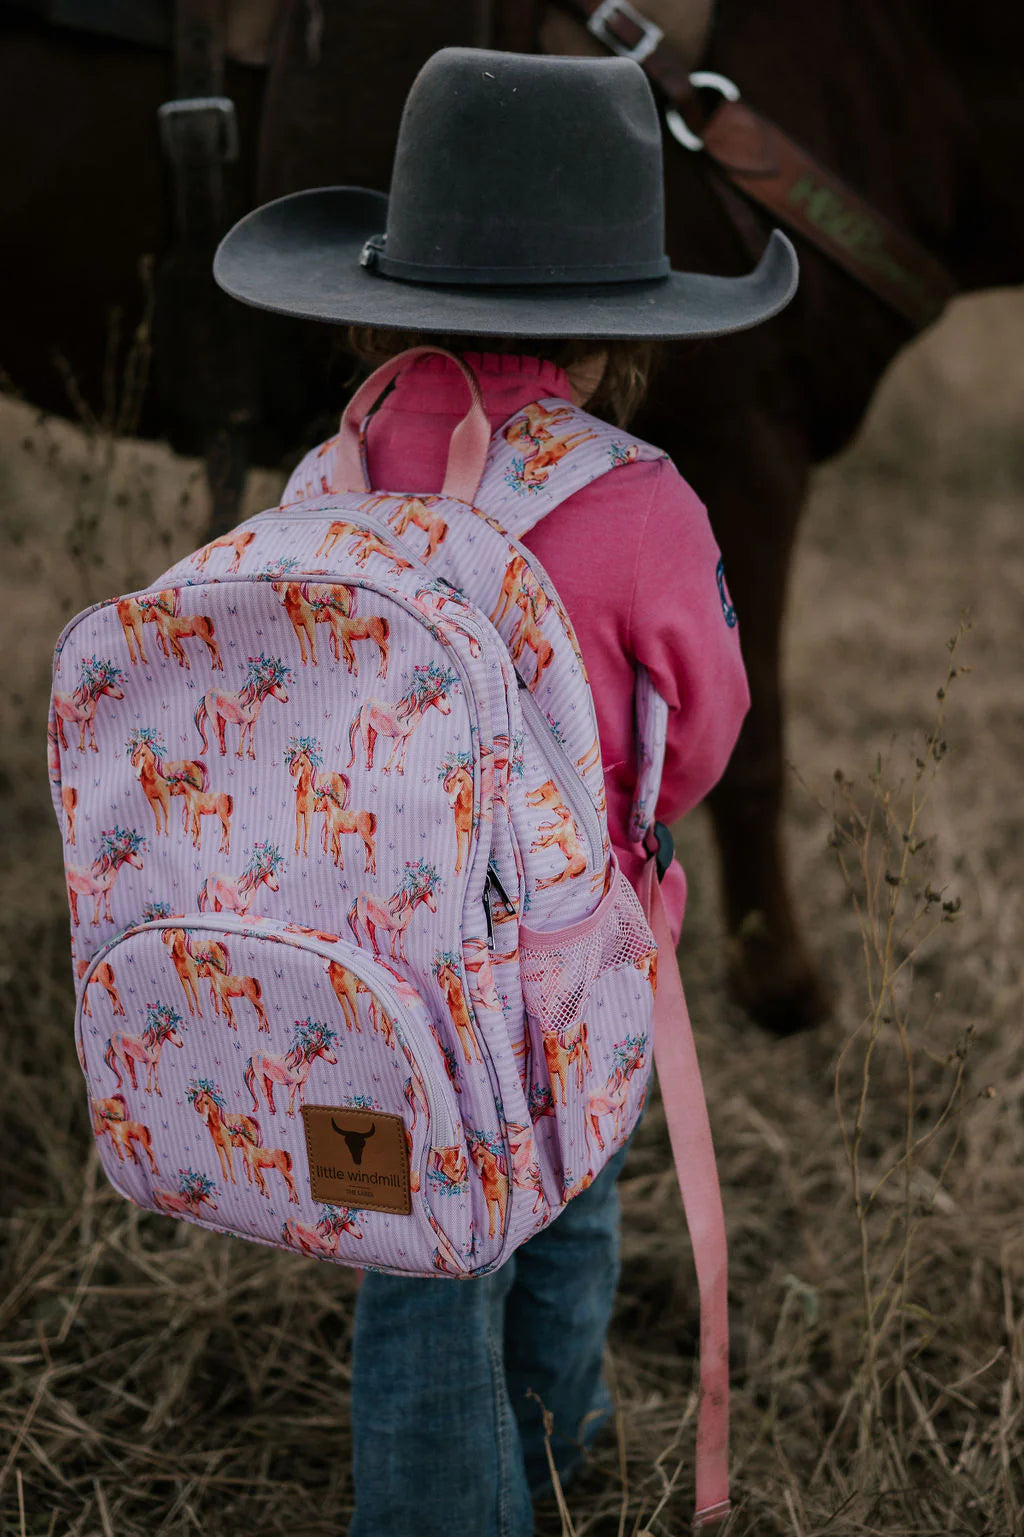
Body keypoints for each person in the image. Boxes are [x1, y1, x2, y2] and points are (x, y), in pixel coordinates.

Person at [213, 45, 797, 1537]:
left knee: (419, 1263)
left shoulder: (323, 477)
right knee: (571, 1194)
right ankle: (557, 1447)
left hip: (361, 969)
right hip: (566, 954)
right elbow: (708, 727)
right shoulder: (642, 499)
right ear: (618, 323)